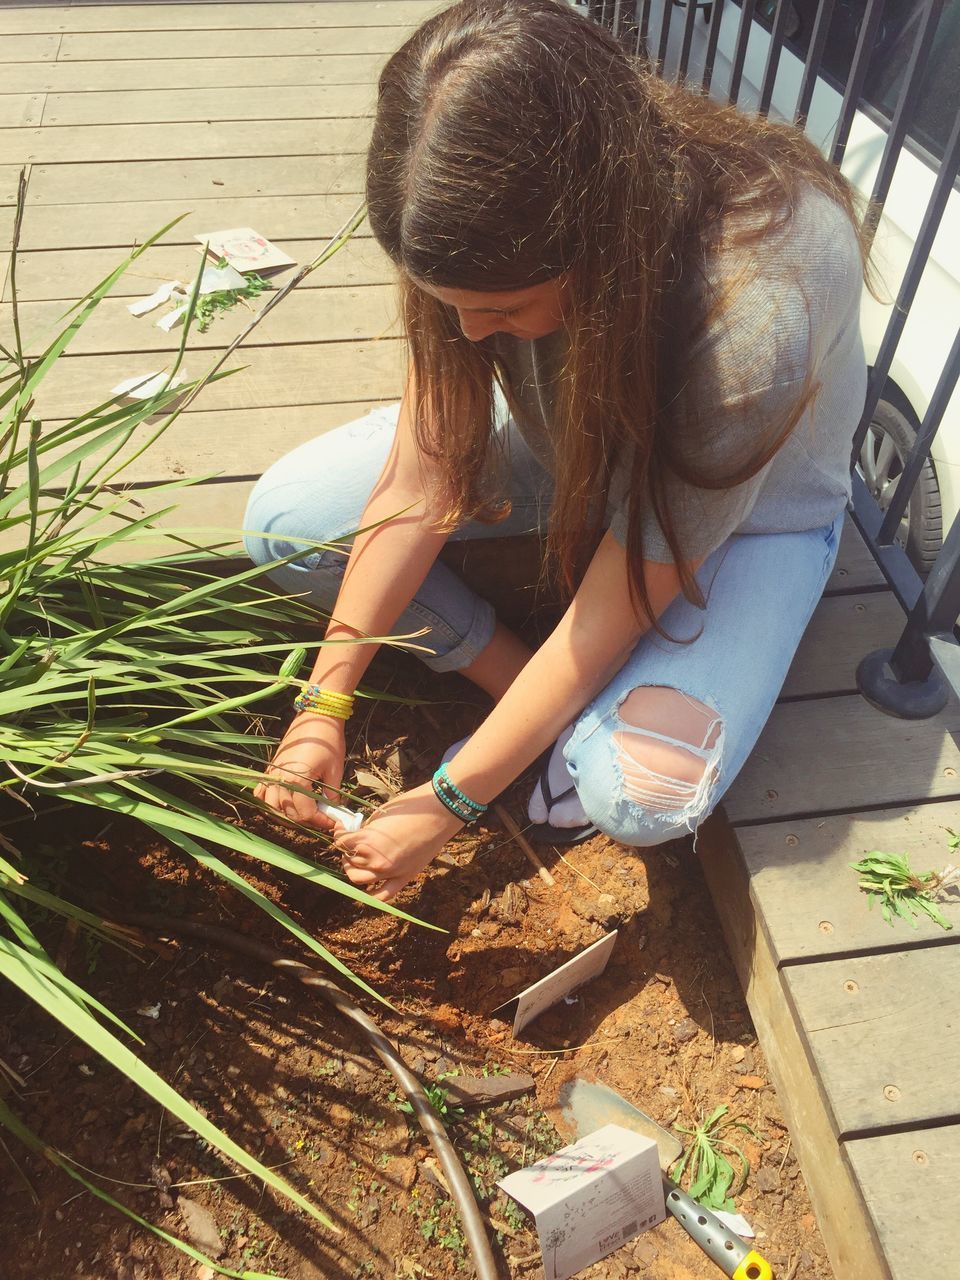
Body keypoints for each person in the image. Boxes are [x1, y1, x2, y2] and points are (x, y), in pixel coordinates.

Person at [244, 0, 868, 902]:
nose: (467, 330)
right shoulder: (469, 217)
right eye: (446, 300)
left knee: (639, 795)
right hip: (574, 447)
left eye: (497, 311)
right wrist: (323, 704)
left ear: (602, 244)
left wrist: (451, 798)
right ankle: (527, 688)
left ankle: (568, 712)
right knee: (288, 523)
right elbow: (426, 474)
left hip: (750, 518)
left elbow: (628, 587)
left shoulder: (752, 312)